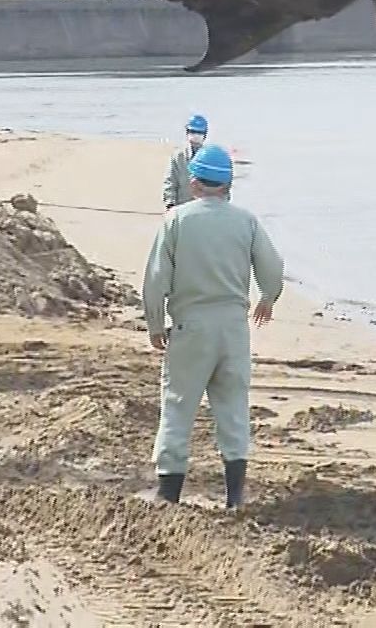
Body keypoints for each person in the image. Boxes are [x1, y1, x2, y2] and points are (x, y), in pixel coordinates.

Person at [143, 143, 284, 507]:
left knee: (178, 405)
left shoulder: (176, 221)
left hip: (191, 327)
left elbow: (156, 280)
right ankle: (235, 495)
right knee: (233, 407)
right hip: (233, 329)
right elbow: (272, 270)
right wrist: (267, 298)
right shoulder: (246, 221)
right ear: (227, 184)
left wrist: (156, 325)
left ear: (193, 183)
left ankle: (168, 493)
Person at [162, 114, 210, 211]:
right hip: (181, 206)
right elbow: (170, 182)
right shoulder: (178, 156)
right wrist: (170, 204)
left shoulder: (210, 157)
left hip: (203, 209)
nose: (196, 135)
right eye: (193, 132)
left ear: (205, 135)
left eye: (199, 132)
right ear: (187, 132)